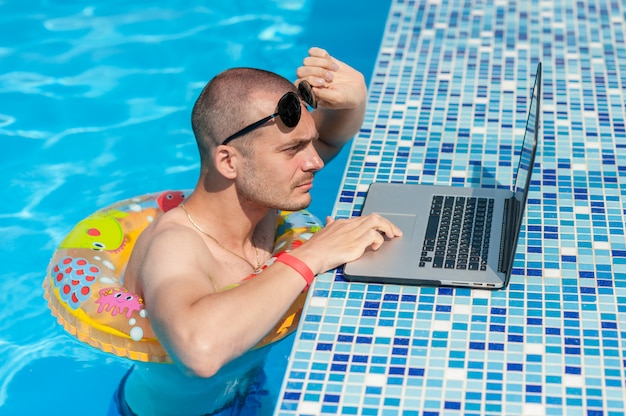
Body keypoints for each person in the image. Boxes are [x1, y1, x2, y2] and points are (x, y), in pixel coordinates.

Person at [109, 47, 402, 415]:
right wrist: (312, 255)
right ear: (229, 161)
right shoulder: (176, 245)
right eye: (293, 148)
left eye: (309, 143)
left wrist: (354, 99)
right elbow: (199, 353)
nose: (314, 161)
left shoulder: (259, 203)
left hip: (246, 394)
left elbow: (329, 138)